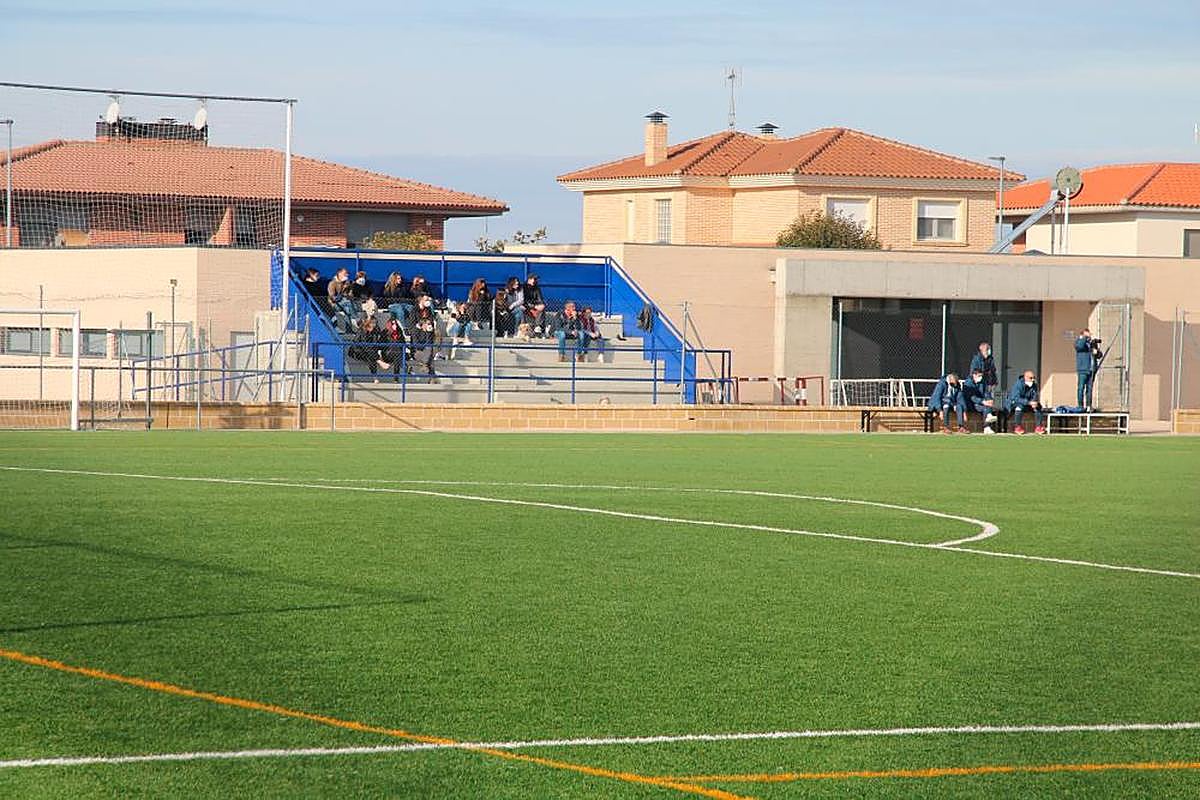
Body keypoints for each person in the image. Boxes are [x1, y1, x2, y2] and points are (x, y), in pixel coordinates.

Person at [408, 295, 440, 379]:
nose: (428, 301)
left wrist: (429, 328)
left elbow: (431, 323)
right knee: (430, 357)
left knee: (429, 349)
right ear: (420, 300)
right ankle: (431, 376)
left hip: (427, 345)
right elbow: (412, 328)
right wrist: (421, 326)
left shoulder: (429, 310)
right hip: (417, 349)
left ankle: (426, 367)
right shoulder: (414, 311)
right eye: (426, 299)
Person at [1006, 370, 1046, 435]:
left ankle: (1038, 427)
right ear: (1025, 378)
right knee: (1019, 407)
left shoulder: (1034, 385)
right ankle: (1017, 427)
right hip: (1014, 403)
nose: (1033, 380)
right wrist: (1028, 402)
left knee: (1038, 406)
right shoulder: (1018, 384)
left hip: (1027, 403)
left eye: (1033, 378)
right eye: (1031, 378)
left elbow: (1035, 395)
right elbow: (1016, 398)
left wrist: (1034, 402)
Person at [961, 368, 999, 434]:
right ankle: (986, 426)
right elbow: (972, 397)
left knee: (987, 406)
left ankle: (988, 422)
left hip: (980, 402)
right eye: (979, 376)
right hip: (970, 403)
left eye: (981, 375)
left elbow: (986, 393)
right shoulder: (968, 383)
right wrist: (983, 402)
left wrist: (989, 400)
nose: (981, 377)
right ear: (974, 375)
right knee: (985, 408)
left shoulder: (982, 382)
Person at [1075, 328, 1097, 410]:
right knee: (1081, 387)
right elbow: (1080, 346)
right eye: (1087, 334)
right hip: (1083, 369)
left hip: (1091, 369)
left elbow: (1099, 354)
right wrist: (1084, 337)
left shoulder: (1091, 343)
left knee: (1089, 388)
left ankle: (1089, 405)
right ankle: (1080, 406)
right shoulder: (1079, 341)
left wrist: (1096, 352)